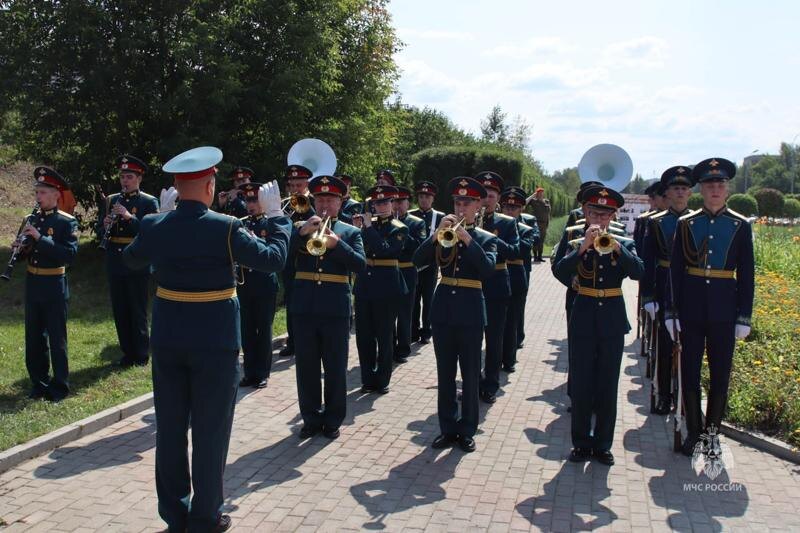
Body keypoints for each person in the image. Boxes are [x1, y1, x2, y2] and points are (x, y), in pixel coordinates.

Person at [123, 147, 290, 532]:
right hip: (214, 342)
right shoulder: (226, 227)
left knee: (169, 429)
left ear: (177, 188)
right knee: (211, 431)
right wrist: (278, 217)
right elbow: (273, 258)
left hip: (167, 339)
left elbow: (131, 260)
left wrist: (159, 221)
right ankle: (205, 516)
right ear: (211, 185)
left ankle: (175, 515)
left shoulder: (153, 223)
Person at [667, 158, 754, 457]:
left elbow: (747, 274)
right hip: (691, 308)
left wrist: (744, 315)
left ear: (727, 189)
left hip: (723, 310)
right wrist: (671, 311)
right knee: (689, 372)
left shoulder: (740, 225)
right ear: (700, 190)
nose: (715, 189)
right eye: (709, 185)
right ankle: (693, 432)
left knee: (720, 375)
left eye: (720, 185)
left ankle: (712, 436)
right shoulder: (686, 223)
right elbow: (676, 271)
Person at [554, 185, 643, 466]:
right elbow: (558, 271)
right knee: (581, 382)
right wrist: (581, 249)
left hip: (613, 318)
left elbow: (639, 271)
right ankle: (581, 443)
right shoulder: (571, 238)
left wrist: (616, 247)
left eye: (605, 214)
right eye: (594, 212)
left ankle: (603, 444)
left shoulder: (623, 240)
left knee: (607, 382)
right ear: (584, 212)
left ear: (613, 216)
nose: (599, 219)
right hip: (583, 314)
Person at [413, 176, 497, 452]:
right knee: (445, 373)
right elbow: (417, 261)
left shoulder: (486, 238)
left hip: (471, 311)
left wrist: (468, 240)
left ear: (478, 206)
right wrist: (437, 234)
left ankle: (467, 429)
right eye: (458, 202)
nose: (462, 208)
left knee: (471, 373)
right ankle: (448, 428)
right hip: (444, 310)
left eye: (467, 202)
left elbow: (487, 270)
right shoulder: (442, 236)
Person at [289, 175, 366, 439]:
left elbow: (360, 265)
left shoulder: (351, 232)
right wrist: (301, 233)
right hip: (304, 308)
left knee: (335, 368)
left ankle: (333, 419)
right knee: (307, 368)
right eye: (320, 199)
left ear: (340, 202)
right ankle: (310, 418)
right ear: (313, 200)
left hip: (335, 309)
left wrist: (337, 245)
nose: (325, 205)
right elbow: (283, 256)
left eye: (330, 200)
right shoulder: (300, 226)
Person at [15, 167, 78, 402]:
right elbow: (24, 255)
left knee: (56, 337)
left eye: (43, 192)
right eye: (37, 192)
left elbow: (68, 255)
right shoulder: (30, 219)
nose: (38, 197)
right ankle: (38, 383)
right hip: (34, 283)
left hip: (54, 283)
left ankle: (59, 386)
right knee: (33, 338)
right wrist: (19, 249)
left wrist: (41, 239)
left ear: (55, 195)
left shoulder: (66, 222)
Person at [96, 155, 159, 367]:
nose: (125, 181)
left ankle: (141, 354)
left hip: (137, 261)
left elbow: (150, 232)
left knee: (137, 309)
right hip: (115, 259)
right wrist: (104, 226)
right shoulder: (111, 200)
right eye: (123, 177)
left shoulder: (148, 202)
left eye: (129, 177)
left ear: (139, 178)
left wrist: (128, 217)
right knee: (120, 309)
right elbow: (98, 230)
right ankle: (127, 352)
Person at [640, 166, 692, 415]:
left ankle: (685, 395)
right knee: (664, 344)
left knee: (689, 347)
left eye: (684, 188)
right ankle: (663, 395)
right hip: (663, 286)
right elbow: (648, 262)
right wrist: (648, 296)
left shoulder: (698, 221)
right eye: (675, 188)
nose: (680, 192)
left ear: (690, 192)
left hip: (690, 289)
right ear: (668, 193)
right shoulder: (657, 223)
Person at [352, 185, 408, 394]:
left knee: (384, 335)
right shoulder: (367, 226)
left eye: (385, 202)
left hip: (387, 286)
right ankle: (367, 378)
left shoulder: (399, 227)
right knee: (364, 336)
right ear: (372, 205)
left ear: (392, 203)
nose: (382, 206)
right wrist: (357, 229)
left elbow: (386, 251)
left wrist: (367, 229)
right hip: (365, 284)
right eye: (377, 203)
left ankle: (383, 379)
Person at [474, 171, 519, 404]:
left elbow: (515, 251)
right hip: (472, 286)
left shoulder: (507, 223)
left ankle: (490, 384)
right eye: (482, 195)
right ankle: (471, 384)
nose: (486, 199)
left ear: (498, 197)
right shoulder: (468, 221)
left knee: (493, 339)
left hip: (497, 285)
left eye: (490, 195)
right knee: (470, 340)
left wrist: (491, 239)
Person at [237, 182, 282, 389]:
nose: (250, 204)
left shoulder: (271, 224)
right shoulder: (241, 224)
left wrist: (256, 242)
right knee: (246, 329)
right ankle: (249, 372)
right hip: (244, 283)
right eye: (248, 200)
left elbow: (277, 252)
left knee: (263, 329)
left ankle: (263, 372)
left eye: (254, 200)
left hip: (264, 283)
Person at [279, 164, 316, 358]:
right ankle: (292, 341)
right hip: (289, 261)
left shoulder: (314, 202)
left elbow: (317, 224)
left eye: (299, 185)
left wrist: (305, 206)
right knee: (291, 302)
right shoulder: (286, 205)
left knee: (307, 302)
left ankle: (306, 341)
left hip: (308, 259)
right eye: (291, 185)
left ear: (307, 184)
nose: (294, 189)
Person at [499, 188, 535, 373]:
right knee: (496, 321)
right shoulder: (497, 225)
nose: (510, 211)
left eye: (514, 208)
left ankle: (509, 359)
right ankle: (496, 356)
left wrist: (499, 243)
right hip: (496, 276)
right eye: (506, 207)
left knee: (512, 319)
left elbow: (521, 250)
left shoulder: (526, 229)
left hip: (515, 275)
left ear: (521, 209)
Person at [393, 185, 426, 363]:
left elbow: (420, 246)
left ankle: (403, 349)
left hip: (406, 269)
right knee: (387, 313)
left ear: (408, 203)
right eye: (394, 202)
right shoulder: (385, 221)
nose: (397, 205)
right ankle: (388, 347)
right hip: (388, 270)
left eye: (401, 201)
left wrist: (403, 233)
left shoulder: (417, 222)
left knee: (405, 312)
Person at [409, 181, 444, 344]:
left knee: (428, 300)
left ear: (433, 199)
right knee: (414, 300)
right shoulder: (410, 215)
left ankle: (426, 331)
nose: (424, 200)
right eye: (421, 196)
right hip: (413, 264)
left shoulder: (440, 217)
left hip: (430, 265)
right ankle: (413, 331)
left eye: (427, 197)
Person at [527, 187, 550, 262]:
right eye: (539, 193)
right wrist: (533, 195)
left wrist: (547, 223)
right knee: (536, 240)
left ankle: (540, 256)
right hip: (536, 223)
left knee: (541, 241)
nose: (541, 194)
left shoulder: (546, 201)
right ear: (537, 193)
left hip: (544, 224)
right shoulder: (534, 201)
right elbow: (525, 202)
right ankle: (535, 257)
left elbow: (548, 214)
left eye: (542, 192)